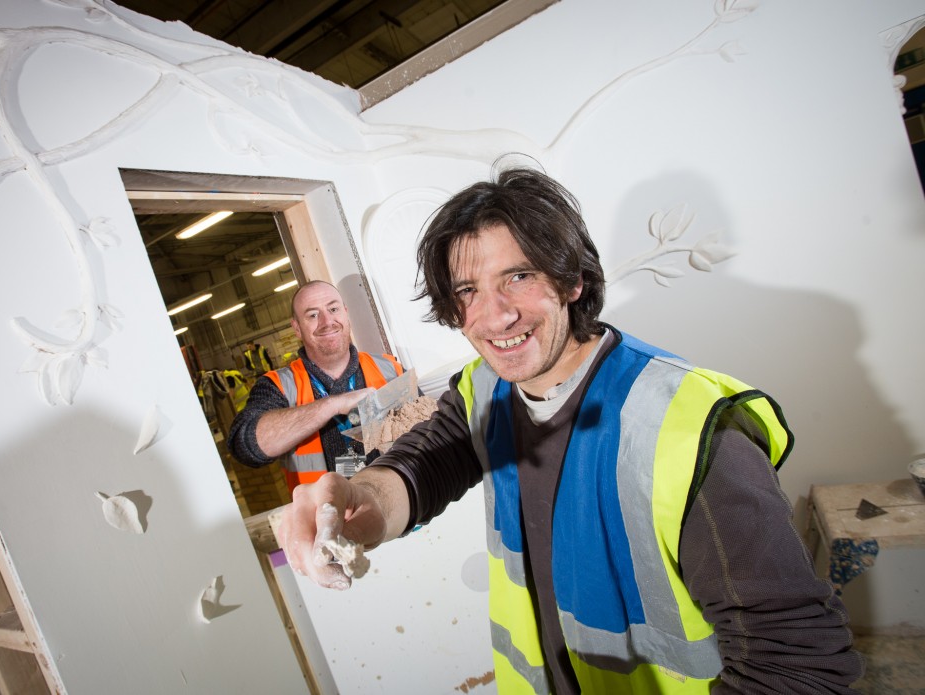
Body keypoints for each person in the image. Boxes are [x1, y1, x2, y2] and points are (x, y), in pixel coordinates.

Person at [276, 169, 863, 693]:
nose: (494, 316)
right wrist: (363, 502)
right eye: (467, 291)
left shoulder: (687, 427)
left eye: (519, 276)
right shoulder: (487, 388)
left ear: (573, 281)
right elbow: (430, 461)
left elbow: (799, 668)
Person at [227, 281, 406, 491]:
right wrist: (332, 405)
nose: (327, 321)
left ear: (346, 313)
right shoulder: (279, 385)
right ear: (297, 329)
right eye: (313, 315)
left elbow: (427, 438)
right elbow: (244, 446)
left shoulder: (389, 369)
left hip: (398, 509)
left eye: (333, 309)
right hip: (325, 517)